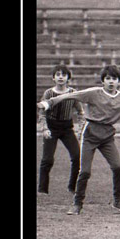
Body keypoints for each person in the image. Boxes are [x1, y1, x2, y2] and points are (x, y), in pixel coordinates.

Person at [36, 65, 120, 215]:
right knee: (85, 171)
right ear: (103, 81)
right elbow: (70, 96)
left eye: (114, 78)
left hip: (107, 136)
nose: (111, 81)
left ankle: (118, 201)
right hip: (90, 135)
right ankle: (77, 203)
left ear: (119, 81)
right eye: (107, 78)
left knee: (118, 167)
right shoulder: (93, 93)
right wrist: (50, 102)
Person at [37, 64, 85, 195]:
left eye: (63, 75)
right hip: (52, 127)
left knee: (77, 156)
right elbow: (41, 112)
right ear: (53, 78)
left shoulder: (73, 93)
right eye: (57, 75)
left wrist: (80, 129)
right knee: (47, 159)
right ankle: (42, 189)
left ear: (68, 78)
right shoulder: (48, 93)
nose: (60, 77)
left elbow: (80, 112)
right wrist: (45, 129)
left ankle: (72, 187)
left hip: (67, 128)